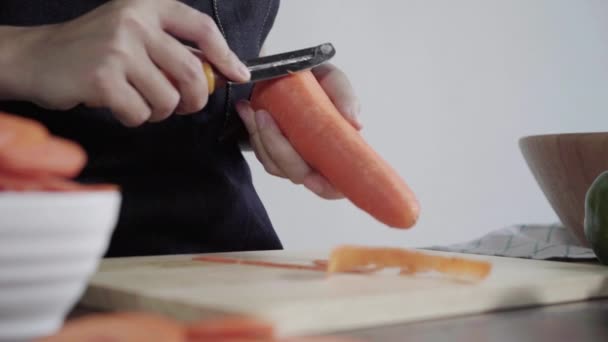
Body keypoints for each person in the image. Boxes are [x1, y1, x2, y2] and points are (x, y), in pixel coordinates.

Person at [0, 0, 361, 257]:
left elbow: (233, 39)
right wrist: (27, 51)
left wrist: (280, 106)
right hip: (31, 261)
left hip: (220, 260)